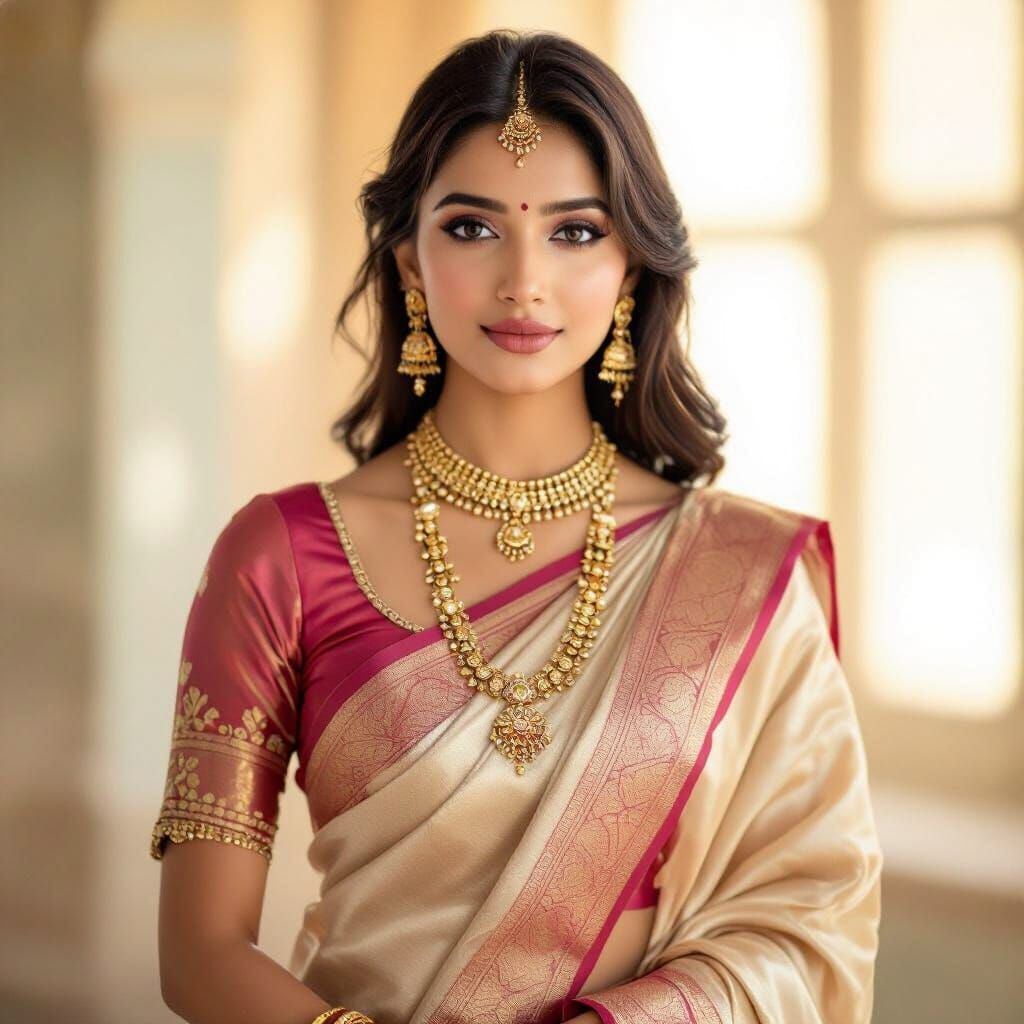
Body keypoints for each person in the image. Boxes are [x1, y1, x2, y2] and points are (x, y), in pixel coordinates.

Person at [151, 28, 882, 1024]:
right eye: (472, 227)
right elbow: (198, 954)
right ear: (408, 255)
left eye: (575, 231)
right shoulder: (277, 556)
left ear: (630, 263)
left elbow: (808, 926)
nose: (523, 279)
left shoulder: (739, 575)